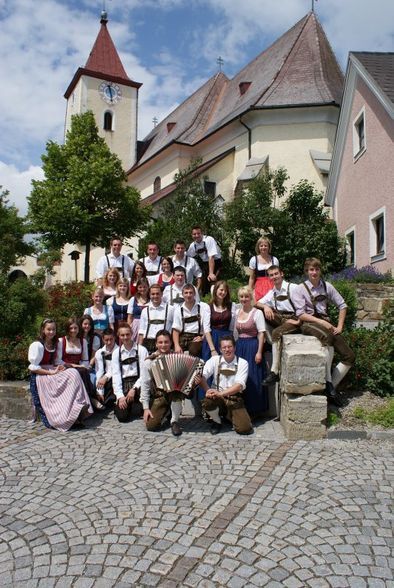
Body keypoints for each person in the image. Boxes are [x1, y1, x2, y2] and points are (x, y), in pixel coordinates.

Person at [293, 257, 355, 402]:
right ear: (307, 272)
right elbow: (301, 314)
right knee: (328, 338)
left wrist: (339, 326)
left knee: (349, 356)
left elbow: (343, 305)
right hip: (308, 323)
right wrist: (321, 322)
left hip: (326, 323)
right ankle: (327, 383)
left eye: (316, 269)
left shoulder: (327, 286)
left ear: (320, 270)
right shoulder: (300, 289)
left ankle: (331, 386)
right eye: (311, 270)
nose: (314, 272)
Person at [28, 318, 93, 431]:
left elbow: (55, 362)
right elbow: (33, 368)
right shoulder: (37, 345)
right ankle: (62, 418)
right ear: (43, 330)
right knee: (72, 373)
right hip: (41, 375)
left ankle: (77, 408)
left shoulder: (54, 342)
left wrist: (57, 368)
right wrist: (50, 372)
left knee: (73, 373)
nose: (51, 332)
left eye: (53, 329)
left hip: (51, 371)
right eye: (49, 329)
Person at [140, 330, 203, 436]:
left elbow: (188, 379)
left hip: (176, 394)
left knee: (177, 390)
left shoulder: (179, 358)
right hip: (160, 396)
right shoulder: (149, 362)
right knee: (151, 426)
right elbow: (145, 384)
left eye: (166, 342)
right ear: (156, 344)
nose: (163, 345)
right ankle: (168, 411)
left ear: (171, 343)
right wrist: (146, 408)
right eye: (160, 342)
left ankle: (174, 421)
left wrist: (195, 382)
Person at [256, 266, 300, 385]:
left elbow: (305, 305)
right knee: (258, 311)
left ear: (282, 274)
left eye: (276, 274)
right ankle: (268, 342)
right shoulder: (272, 292)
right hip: (281, 319)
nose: (274, 277)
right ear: (269, 278)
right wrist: (265, 306)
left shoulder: (293, 288)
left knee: (277, 333)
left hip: (295, 319)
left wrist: (298, 320)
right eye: (271, 275)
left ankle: (274, 372)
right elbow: (256, 303)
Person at [200, 335, 253, 435]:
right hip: (216, 397)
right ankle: (217, 421)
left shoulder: (243, 363)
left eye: (229, 347)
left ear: (235, 348)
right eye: (224, 347)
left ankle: (228, 415)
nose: (227, 350)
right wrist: (207, 390)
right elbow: (202, 376)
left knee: (244, 429)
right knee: (207, 402)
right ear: (220, 349)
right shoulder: (214, 360)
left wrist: (221, 393)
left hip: (234, 398)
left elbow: (239, 386)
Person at [235, 286, 267, 417]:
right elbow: (235, 332)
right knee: (240, 377)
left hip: (252, 346)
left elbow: (261, 333)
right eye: (242, 297)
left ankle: (255, 409)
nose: (244, 299)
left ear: (251, 298)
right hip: (240, 346)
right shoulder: (237, 312)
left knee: (253, 376)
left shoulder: (257, 313)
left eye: (246, 296)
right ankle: (241, 408)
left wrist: (259, 352)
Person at [56, 317, 97, 406]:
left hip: (79, 368)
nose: (73, 330)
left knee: (83, 371)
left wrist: (81, 366)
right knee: (81, 371)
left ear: (79, 329)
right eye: (71, 328)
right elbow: (58, 360)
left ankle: (84, 401)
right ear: (67, 329)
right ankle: (90, 399)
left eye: (75, 328)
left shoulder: (83, 341)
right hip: (65, 367)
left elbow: (85, 360)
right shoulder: (61, 341)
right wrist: (75, 366)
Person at [111, 323, 148, 422]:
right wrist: (120, 396)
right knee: (122, 417)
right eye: (122, 335)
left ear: (131, 334)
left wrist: (134, 388)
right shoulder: (116, 353)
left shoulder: (142, 350)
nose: (125, 337)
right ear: (119, 336)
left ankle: (139, 405)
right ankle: (123, 405)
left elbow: (145, 374)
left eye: (127, 334)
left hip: (139, 385)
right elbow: (116, 376)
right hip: (124, 385)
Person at [172, 284, 213, 357]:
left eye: (191, 293)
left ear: (194, 294)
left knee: (193, 350)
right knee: (175, 354)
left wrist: (202, 337)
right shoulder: (178, 309)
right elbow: (175, 330)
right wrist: (176, 345)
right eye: (186, 293)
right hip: (183, 337)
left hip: (197, 337)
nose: (188, 295)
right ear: (182, 294)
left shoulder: (203, 307)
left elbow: (207, 327)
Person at [202, 280, 236, 360]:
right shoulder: (208, 307)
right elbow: (206, 329)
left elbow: (231, 327)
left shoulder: (232, 306)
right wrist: (212, 349)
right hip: (212, 338)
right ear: (215, 290)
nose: (223, 292)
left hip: (226, 338)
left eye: (225, 290)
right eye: (221, 290)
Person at [138, 284, 174, 353]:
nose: (155, 296)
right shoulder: (145, 310)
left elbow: (175, 329)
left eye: (157, 294)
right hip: (148, 343)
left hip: (164, 344)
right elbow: (141, 331)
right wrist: (139, 347)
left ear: (161, 294)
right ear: (149, 295)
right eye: (153, 294)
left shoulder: (170, 309)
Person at [187, 226, 222, 295]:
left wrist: (211, 273)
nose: (196, 236)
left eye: (198, 233)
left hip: (216, 263)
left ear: (202, 233)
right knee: (204, 287)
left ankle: (218, 301)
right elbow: (187, 256)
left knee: (215, 284)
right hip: (205, 264)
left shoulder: (209, 239)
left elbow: (211, 256)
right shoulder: (193, 245)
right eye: (194, 234)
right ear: (191, 235)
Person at [248, 237, 279, 302]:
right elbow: (252, 278)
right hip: (259, 287)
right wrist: (249, 291)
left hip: (272, 286)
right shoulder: (254, 260)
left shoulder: (274, 260)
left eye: (265, 246)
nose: (263, 247)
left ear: (269, 247)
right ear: (258, 247)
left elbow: (277, 277)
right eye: (261, 246)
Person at [94, 327, 118, 407]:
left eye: (111, 339)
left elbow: (116, 369)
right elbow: (99, 371)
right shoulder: (99, 352)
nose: (109, 342)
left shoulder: (119, 351)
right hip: (105, 379)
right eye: (106, 340)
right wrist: (99, 392)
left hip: (116, 377)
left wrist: (106, 377)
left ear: (114, 338)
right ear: (102, 340)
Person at [79, 314, 102, 389]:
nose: (87, 326)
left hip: (90, 365)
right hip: (77, 364)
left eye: (89, 324)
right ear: (81, 324)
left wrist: (89, 366)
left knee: (92, 380)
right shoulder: (77, 337)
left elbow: (93, 355)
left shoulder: (95, 338)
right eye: (85, 324)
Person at [127, 278, 150, 343]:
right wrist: (129, 329)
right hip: (136, 326)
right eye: (140, 287)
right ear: (137, 288)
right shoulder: (133, 299)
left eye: (145, 287)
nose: (142, 289)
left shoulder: (151, 299)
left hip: (147, 325)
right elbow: (129, 317)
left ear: (148, 287)